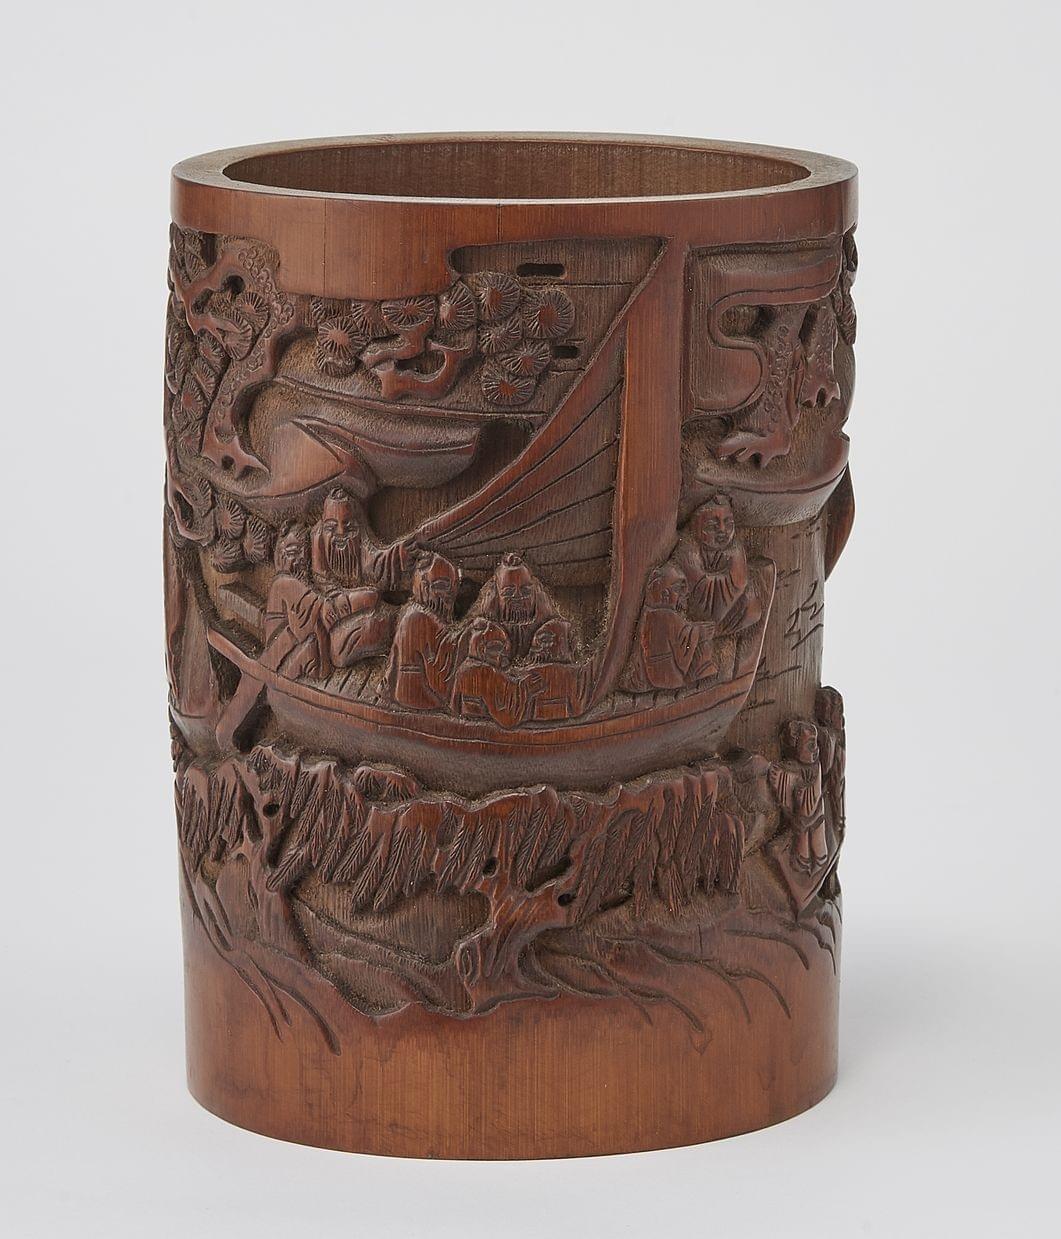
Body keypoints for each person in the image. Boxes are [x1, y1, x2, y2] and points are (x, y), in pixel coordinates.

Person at [309, 488, 411, 666]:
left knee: (371, 602)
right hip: (336, 610)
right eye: (331, 527)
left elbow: (378, 563)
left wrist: (399, 555)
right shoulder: (318, 538)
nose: (341, 533)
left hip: (357, 609)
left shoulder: (363, 543)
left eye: (348, 526)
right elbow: (320, 579)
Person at [621, 563, 719, 692]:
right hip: (667, 675)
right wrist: (700, 631)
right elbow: (685, 638)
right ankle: (704, 675)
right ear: (665, 594)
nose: (681, 597)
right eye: (677, 590)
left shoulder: (648, 614)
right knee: (702, 643)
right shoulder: (667, 616)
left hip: (654, 674)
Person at [671, 494, 761, 634]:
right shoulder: (687, 548)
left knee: (753, 609)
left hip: (726, 613)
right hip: (693, 613)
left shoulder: (734, 548)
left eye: (729, 524)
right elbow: (696, 586)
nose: (722, 531)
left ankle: (711, 631)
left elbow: (738, 582)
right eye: (712, 525)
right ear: (696, 525)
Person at [384, 553, 461, 711]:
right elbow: (439, 675)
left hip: (405, 693)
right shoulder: (421, 619)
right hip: (418, 696)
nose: (451, 594)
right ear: (424, 587)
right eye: (443, 586)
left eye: (455, 585)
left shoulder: (412, 613)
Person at [261, 523, 329, 678]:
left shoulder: (297, 586)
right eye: (293, 552)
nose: (302, 558)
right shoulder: (284, 584)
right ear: (280, 556)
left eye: (307, 552)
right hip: (282, 662)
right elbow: (324, 613)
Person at [467, 552, 559, 659]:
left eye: (525, 591)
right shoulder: (479, 632)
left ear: (536, 593)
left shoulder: (555, 631)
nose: (517, 597)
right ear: (495, 595)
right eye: (508, 592)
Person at [450, 619, 537, 728]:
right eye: (496, 648)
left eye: (502, 649)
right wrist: (524, 687)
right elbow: (506, 718)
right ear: (481, 648)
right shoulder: (487, 672)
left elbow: (454, 706)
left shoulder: (463, 669)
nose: (501, 655)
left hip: (467, 725)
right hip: (485, 727)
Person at [769, 719, 829, 874]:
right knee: (802, 850)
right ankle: (803, 861)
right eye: (810, 744)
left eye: (815, 744)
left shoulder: (816, 767)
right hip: (802, 819)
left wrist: (801, 794)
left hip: (814, 814)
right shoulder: (789, 769)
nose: (815, 750)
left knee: (819, 850)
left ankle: (814, 862)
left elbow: (814, 794)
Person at [523, 618, 592, 721]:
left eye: (544, 641)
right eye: (542, 641)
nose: (536, 648)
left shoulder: (571, 674)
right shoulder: (571, 675)